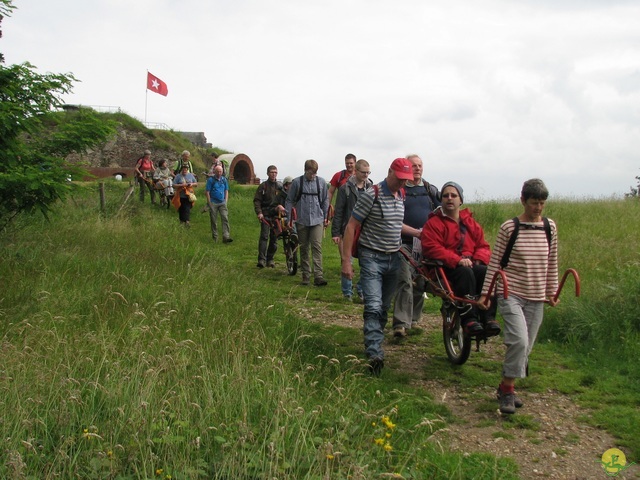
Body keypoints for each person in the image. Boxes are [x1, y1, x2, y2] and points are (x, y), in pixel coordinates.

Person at [479, 178, 559, 415]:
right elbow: (494, 263)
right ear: (523, 200)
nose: (538, 208)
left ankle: (507, 386)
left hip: (536, 296)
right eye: (534, 202)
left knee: (527, 347)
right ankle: (507, 391)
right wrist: (486, 293)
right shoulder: (509, 228)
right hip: (510, 292)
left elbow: (552, 261)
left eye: (542, 203)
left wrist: (552, 291)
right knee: (519, 341)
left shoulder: (549, 227)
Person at [341, 158, 414, 376]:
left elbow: (394, 223)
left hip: (394, 257)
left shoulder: (401, 195)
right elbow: (351, 225)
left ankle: (375, 340)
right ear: (390, 172)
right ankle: (374, 354)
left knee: (383, 307)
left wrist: (418, 232)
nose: (402, 184)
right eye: (400, 179)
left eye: (406, 181)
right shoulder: (371, 194)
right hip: (371, 256)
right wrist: (346, 261)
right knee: (373, 305)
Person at [421, 181, 501, 336]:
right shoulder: (433, 223)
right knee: (465, 272)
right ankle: (469, 320)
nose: (449, 199)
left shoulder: (471, 223)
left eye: (453, 195)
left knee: (485, 272)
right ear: (441, 199)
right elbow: (432, 248)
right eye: (445, 196)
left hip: (471, 263)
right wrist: (457, 259)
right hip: (446, 268)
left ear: (460, 200)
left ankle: (488, 318)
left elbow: (483, 246)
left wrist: (478, 259)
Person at [392, 154, 441, 337]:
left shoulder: (431, 190)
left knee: (421, 282)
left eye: (420, 165)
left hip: (425, 245)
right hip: (403, 243)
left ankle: (413, 320)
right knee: (405, 281)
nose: (418, 168)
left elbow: (441, 212)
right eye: (414, 165)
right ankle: (400, 324)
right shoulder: (400, 190)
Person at [331, 159, 373, 301]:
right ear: (356, 171)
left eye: (368, 173)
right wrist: (336, 232)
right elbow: (339, 211)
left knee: (367, 262)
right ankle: (347, 292)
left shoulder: (371, 188)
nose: (366, 175)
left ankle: (361, 289)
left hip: (366, 231)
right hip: (348, 229)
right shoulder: (345, 188)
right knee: (346, 259)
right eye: (363, 172)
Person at [285, 159, 329, 286]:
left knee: (317, 246)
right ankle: (305, 276)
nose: (313, 176)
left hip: (317, 219)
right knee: (304, 247)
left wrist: (326, 217)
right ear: (305, 171)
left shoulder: (321, 182)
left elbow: (325, 200)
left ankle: (318, 276)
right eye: (311, 173)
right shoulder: (297, 183)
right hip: (301, 220)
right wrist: (289, 218)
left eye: (315, 173)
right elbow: (289, 200)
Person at [254, 165, 283, 268]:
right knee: (264, 237)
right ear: (267, 173)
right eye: (272, 172)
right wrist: (259, 212)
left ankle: (270, 259)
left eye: (275, 172)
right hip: (265, 214)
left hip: (276, 216)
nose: (274, 174)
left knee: (274, 238)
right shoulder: (263, 186)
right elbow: (257, 201)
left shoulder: (280, 187)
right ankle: (261, 259)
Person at [206, 165, 232, 243]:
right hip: (213, 202)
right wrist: (209, 202)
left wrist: (226, 200)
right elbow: (207, 192)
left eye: (220, 171)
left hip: (222, 203)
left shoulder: (224, 180)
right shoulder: (211, 180)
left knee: (225, 218)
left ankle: (226, 237)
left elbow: (226, 190)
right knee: (214, 220)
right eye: (218, 171)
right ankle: (215, 237)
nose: (219, 173)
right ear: (215, 172)